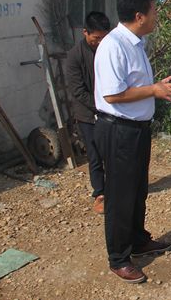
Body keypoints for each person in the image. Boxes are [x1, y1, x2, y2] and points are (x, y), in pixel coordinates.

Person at [93, 0, 171, 283]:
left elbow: (132, 85)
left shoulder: (135, 42)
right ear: (139, 15)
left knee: (136, 191)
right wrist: (154, 90)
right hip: (118, 131)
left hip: (136, 130)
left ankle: (137, 240)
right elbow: (112, 95)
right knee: (120, 196)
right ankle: (119, 258)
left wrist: (154, 89)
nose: (157, 15)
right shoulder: (113, 45)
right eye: (154, 10)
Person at [65, 12, 110, 214]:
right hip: (88, 114)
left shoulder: (109, 50)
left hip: (110, 111)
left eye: (103, 37)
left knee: (112, 153)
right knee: (95, 155)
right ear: (85, 32)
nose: (99, 42)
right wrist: (102, 105)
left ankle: (116, 188)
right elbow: (78, 91)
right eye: (96, 38)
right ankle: (100, 193)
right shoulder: (75, 56)